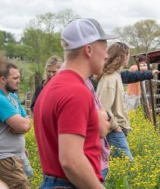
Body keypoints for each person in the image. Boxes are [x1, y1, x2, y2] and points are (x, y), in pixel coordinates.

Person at [34, 18, 116, 189]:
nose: (107, 55)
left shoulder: (52, 86)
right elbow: (71, 161)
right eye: (104, 48)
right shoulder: (76, 91)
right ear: (89, 50)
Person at [97, 42, 134, 160]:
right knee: (128, 168)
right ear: (123, 56)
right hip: (113, 131)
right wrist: (116, 127)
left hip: (115, 130)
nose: (129, 57)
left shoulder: (115, 76)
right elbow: (103, 108)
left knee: (117, 168)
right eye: (128, 54)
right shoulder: (110, 78)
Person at [0, 61, 31, 189]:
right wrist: (23, 125)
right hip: (6, 159)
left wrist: (23, 125)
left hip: (15, 157)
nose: (19, 81)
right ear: (2, 79)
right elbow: (23, 126)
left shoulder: (12, 97)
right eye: (15, 78)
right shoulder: (1, 99)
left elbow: (26, 121)